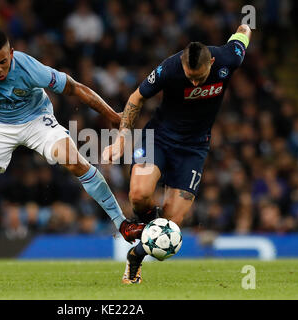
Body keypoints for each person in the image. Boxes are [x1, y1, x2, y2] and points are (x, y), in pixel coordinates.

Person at [0, 29, 144, 284]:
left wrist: (113, 116)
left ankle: (123, 225)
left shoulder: (29, 67)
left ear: (11, 53)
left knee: (74, 161)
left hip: (37, 119)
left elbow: (74, 88)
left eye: (3, 61)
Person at [103, 25, 252, 284]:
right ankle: (149, 225)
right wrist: (120, 140)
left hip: (193, 148)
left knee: (172, 224)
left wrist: (245, 27)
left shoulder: (229, 57)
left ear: (212, 63)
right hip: (159, 138)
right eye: (190, 77)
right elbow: (136, 98)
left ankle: (136, 256)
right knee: (139, 194)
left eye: (200, 77)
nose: (194, 83)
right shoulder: (169, 68)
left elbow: (242, 35)